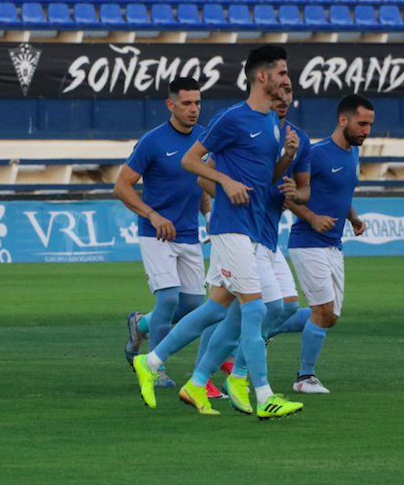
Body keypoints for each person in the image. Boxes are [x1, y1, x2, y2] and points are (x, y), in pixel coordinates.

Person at [131, 45, 304, 420]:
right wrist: (225, 180)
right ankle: (264, 395)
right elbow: (190, 161)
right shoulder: (232, 118)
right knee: (255, 310)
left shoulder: (272, 125)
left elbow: (263, 180)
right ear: (263, 76)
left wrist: (286, 158)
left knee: (216, 309)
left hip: (255, 230)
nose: (287, 80)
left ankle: (159, 364)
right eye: (282, 73)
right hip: (230, 228)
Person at [195, 85, 312, 408]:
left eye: (289, 94)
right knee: (231, 309)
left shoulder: (296, 138)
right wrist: (232, 192)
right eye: (281, 91)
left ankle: (213, 376)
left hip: (267, 237)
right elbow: (203, 177)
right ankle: (234, 382)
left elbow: (302, 190)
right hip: (238, 231)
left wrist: (292, 191)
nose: (284, 99)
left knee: (280, 306)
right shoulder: (242, 125)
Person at [116, 77, 210, 388]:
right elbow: (121, 185)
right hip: (155, 234)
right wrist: (152, 215)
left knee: (196, 305)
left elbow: (201, 185)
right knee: (168, 299)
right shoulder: (152, 141)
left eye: (197, 102)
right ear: (171, 105)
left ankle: (140, 324)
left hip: (188, 235)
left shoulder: (203, 138)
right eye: (186, 103)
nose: (193, 109)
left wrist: (209, 214)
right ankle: (155, 369)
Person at [283, 94, 372, 394]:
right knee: (322, 310)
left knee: (330, 316)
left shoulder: (353, 154)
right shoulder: (317, 153)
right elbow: (286, 192)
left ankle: (264, 328)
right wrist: (311, 217)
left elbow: (341, 193)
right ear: (343, 120)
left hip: (334, 244)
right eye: (362, 123)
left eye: (370, 125)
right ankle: (304, 377)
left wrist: (353, 217)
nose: (367, 130)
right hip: (307, 242)